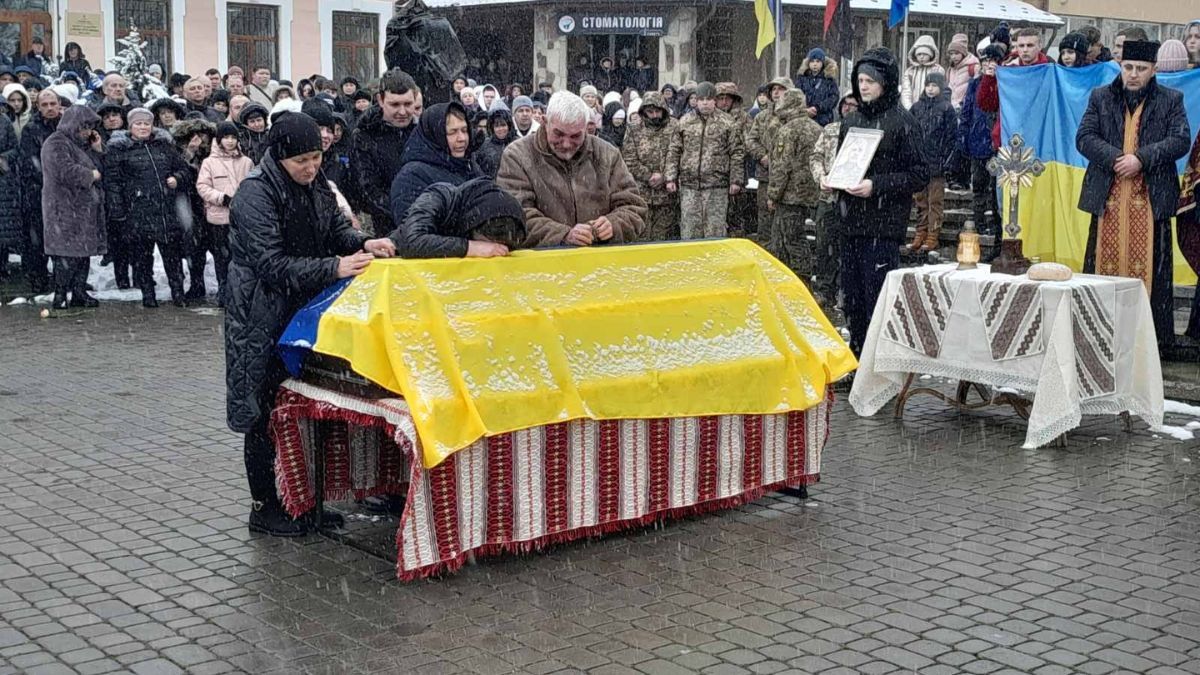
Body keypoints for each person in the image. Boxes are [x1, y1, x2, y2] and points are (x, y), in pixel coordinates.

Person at [224, 112, 395, 536]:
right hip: (260, 318)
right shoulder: (255, 194)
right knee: (263, 412)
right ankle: (265, 506)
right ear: (280, 157)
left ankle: (303, 498)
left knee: (303, 408)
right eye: (302, 160)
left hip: (304, 314)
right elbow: (271, 263)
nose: (311, 166)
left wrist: (361, 242)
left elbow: (336, 227)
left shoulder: (316, 184)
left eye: (317, 157)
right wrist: (335, 267)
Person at [1076, 40, 1190, 350]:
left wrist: (1141, 158)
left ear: (1154, 70)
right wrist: (1116, 158)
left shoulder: (1171, 100)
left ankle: (1150, 344)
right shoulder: (1101, 97)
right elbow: (1084, 138)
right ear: (1120, 67)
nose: (1134, 75)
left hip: (1151, 199)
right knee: (1101, 267)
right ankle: (1098, 335)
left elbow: (1180, 141)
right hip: (1108, 197)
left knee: (1154, 271)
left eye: (1141, 69)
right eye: (1128, 68)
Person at [830, 47, 929, 357]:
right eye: (860, 80)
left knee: (877, 296)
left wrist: (877, 186)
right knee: (852, 296)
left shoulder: (903, 122)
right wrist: (833, 179)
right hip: (850, 220)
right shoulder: (852, 119)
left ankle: (878, 360)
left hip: (883, 224)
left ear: (885, 83)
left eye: (870, 80)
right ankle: (857, 355)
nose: (864, 86)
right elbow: (844, 162)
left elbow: (920, 173)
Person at [497, 91, 646, 247]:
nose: (566, 144)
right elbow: (513, 217)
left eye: (575, 136)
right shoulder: (517, 156)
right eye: (558, 134)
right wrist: (562, 235)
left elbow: (634, 208)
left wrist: (614, 224)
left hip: (599, 262)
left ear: (587, 128)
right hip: (543, 264)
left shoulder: (607, 154)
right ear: (544, 122)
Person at [104, 108, 193, 307]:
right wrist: (118, 210)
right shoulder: (119, 149)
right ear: (130, 126)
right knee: (142, 258)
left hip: (165, 211)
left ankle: (178, 293)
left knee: (172, 257)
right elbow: (113, 183)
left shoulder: (164, 146)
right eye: (138, 123)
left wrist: (176, 179)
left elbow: (183, 170)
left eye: (146, 123)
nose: (143, 127)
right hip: (137, 212)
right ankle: (148, 295)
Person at [41, 105, 105, 309]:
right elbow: (64, 170)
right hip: (64, 207)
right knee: (66, 254)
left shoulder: (81, 145)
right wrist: (90, 175)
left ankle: (78, 292)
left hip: (82, 208)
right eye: (85, 127)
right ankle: (60, 294)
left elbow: (101, 167)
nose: (88, 132)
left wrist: (97, 150)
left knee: (82, 252)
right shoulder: (56, 143)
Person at [665, 82, 744, 241]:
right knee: (689, 231)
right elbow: (674, 150)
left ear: (714, 100)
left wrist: (735, 180)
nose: (705, 103)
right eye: (701, 99)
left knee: (714, 231)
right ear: (696, 100)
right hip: (689, 186)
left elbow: (737, 152)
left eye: (709, 99)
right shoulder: (684, 122)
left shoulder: (727, 123)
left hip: (717, 187)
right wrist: (670, 177)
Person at [350, 68, 420, 234]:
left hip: (427, 222)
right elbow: (368, 190)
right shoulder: (364, 135)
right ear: (380, 100)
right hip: (386, 228)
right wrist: (406, 215)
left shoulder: (423, 130)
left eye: (408, 104)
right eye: (395, 104)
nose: (402, 112)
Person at [389, 101, 482, 223]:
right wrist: (468, 242)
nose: (462, 138)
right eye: (452, 132)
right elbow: (414, 233)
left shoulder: (469, 164)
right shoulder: (411, 177)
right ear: (435, 135)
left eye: (464, 130)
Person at [389, 177, 526, 259]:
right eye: (488, 246)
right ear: (472, 227)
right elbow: (412, 241)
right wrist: (470, 248)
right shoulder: (438, 198)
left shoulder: (511, 219)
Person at [765, 88, 822, 279]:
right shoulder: (816, 127)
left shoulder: (787, 130)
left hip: (790, 195)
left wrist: (773, 195)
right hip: (811, 193)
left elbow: (782, 166)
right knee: (796, 237)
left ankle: (798, 278)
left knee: (789, 239)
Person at [196, 122, 253, 305]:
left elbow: (254, 186)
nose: (229, 141)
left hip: (242, 218)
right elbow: (202, 186)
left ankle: (241, 292)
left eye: (233, 138)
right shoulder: (209, 162)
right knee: (222, 258)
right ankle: (224, 290)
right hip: (219, 218)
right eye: (226, 137)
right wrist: (222, 198)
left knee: (242, 257)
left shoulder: (246, 162)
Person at [811, 94, 857, 315]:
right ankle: (823, 290)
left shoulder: (863, 132)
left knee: (846, 248)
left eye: (853, 105)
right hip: (827, 198)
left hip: (852, 199)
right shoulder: (829, 129)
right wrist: (821, 177)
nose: (848, 108)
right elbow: (816, 156)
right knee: (823, 245)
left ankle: (844, 291)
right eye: (845, 105)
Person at [959, 44, 1005, 253]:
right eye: (986, 60)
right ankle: (978, 226)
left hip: (997, 144)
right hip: (978, 141)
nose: (989, 64)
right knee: (978, 187)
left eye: (994, 61)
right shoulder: (975, 83)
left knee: (997, 194)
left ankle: (995, 233)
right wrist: (964, 137)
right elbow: (968, 110)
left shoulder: (1006, 82)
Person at [909, 72, 957, 253]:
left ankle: (932, 234)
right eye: (928, 85)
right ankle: (920, 232)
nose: (930, 89)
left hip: (937, 161)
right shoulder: (917, 107)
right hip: (919, 162)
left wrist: (946, 160)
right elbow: (910, 133)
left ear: (941, 87)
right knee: (920, 200)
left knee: (935, 201)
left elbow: (952, 137)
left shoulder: (946, 108)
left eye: (934, 85)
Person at [621, 91, 679, 242]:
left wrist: (665, 176)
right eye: (650, 112)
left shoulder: (674, 126)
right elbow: (629, 158)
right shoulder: (634, 128)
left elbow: (678, 154)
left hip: (667, 193)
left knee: (662, 239)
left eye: (658, 111)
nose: (654, 115)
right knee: (641, 237)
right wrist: (648, 176)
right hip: (642, 193)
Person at [173, 118, 217, 301]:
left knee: (220, 248)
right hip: (190, 205)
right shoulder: (180, 153)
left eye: (202, 134)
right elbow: (177, 170)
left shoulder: (216, 152)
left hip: (213, 205)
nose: (199, 139)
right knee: (194, 249)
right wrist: (190, 152)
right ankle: (196, 284)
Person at [746, 78, 793, 233]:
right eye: (773, 89)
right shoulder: (762, 117)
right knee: (765, 221)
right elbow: (751, 140)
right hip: (766, 177)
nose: (777, 92)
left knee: (787, 226)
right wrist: (762, 156)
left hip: (790, 181)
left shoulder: (796, 118)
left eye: (781, 89)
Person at [715, 82, 756, 238]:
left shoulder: (744, 118)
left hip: (737, 171)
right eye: (720, 98)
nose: (724, 102)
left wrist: (733, 148)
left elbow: (750, 142)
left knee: (735, 216)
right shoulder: (710, 118)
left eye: (727, 98)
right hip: (715, 175)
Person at [794, 48, 839, 126]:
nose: (815, 64)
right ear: (808, 63)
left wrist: (818, 108)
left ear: (823, 63)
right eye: (812, 61)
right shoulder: (802, 79)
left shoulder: (829, 80)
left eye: (818, 61)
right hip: (804, 119)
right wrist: (805, 110)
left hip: (824, 120)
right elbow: (796, 97)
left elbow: (833, 98)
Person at [901, 35, 946, 110]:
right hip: (914, 107)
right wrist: (910, 108)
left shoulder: (938, 70)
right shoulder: (910, 71)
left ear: (931, 55)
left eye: (925, 54)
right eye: (919, 54)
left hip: (933, 108)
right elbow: (906, 91)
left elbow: (940, 90)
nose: (921, 57)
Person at [476, 102, 514, 179]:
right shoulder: (484, 146)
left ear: (509, 125)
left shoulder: (517, 143)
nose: (500, 129)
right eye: (496, 126)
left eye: (503, 125)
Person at [944, 34, 979, 109]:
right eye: (951, 54)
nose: (953, 56)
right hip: (951, 109)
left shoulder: (973, 67)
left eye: (956, 53)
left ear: (963, 53)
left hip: (966, 109)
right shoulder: (950, 69)